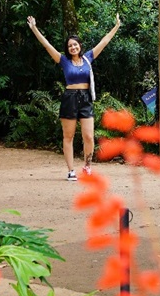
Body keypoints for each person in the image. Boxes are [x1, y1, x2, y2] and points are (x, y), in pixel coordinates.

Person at [27, 14, 121, 181]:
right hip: (70, 98)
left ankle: (87, 166)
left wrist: (116, 26)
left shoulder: (88, 58)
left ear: (80, 46)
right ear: (67, 48)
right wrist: (34, 28)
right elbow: (46, 45)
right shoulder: (64, 61)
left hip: (85, 98)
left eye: (75, 44)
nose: (73, 47)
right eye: (70, 45)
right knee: (68, 136)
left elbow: (104, 42)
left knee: (89, 136)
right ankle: (71, 171)